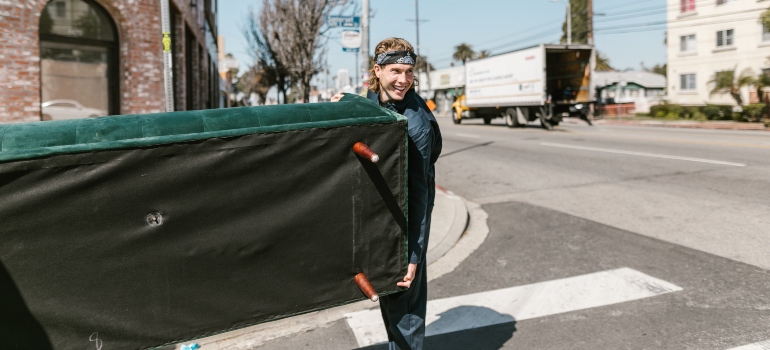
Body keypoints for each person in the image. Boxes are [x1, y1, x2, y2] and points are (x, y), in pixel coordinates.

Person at [333, 37, 442, 350]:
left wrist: (414, 254)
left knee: (405, 311)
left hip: (408, 219)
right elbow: (369, 109)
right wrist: (348, 102)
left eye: (409, 72)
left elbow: (420, 195)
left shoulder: (417, 123)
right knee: (392, 303)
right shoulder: (374, 98)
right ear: (376, 71)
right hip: (384, 212)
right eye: (396, 70)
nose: (403, 80)